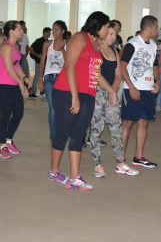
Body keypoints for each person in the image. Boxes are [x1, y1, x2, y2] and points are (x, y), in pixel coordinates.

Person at [49, 12, 112, 190]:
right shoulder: (79, 38)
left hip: (88, 94)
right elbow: (69, 66)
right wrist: (74, 96)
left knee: (78, 135)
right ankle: (53, 171)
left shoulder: (97, 44)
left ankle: (75, 177)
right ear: (98, 25)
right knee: (63, 132)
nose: (108, 30)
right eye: (107, 27)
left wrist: (111, 90)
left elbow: (95, 74)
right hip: (66, 92)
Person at [89, 21, 139, 178]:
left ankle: (120, 162)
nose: (113, 37)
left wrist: (113, 92)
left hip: (112, 93)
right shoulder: (96, 50)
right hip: (97, 93)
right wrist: (110, 91)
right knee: (96, 129)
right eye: (110, 33)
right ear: (103, 33)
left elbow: (118, 74)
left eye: (115, 34)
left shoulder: (115, 51)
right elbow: (96, 74)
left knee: (116, 128)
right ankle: (97, 164)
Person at [120, 15, 160, 168]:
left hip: (148, 90)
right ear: (148, 28)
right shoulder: (132, 44)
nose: (157, 30)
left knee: (144, 122)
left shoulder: (154, 46)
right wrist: (131, 87)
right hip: (132, 89)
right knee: (127, 123)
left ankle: (138, 157)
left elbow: (155, 66)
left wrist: (158, 81)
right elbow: (122, 66)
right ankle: (120, 159)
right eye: (156, 27)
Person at [0, 21, 30, 159]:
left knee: (18, 113)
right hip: (3, 85)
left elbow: (16, 66)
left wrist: (24, 77)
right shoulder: (6, 47)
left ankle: (9, 140)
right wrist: (20, 83)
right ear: (11, 31)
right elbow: (9, 69)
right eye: (19, 29)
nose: (22, 31)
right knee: (5, 115)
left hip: (12, 85)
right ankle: (2, 146)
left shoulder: (15, 47)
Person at [38, 21, 67, 144]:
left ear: (63, 31)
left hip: (62, 78)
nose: (53, 31)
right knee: (53, 108)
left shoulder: (68, 44)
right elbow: (42, 61)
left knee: (62, 108)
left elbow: (69, 61)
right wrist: (40, 78)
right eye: (52, 29)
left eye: (56, 29)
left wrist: (62, 50)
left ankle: (60, 132)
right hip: (49, 77)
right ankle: (54, 136)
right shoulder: (47, 44)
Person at [29, 26, 51, 97]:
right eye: (49, 32)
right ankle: (33, 92)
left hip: (46, 62)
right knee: (37, 76)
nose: (50, 34)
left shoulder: (48, 42)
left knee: (44, 76)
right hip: (39, 62)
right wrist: (37, 55)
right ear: (45, 32)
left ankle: (42, 92)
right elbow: (31, 48)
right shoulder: (39, 41)